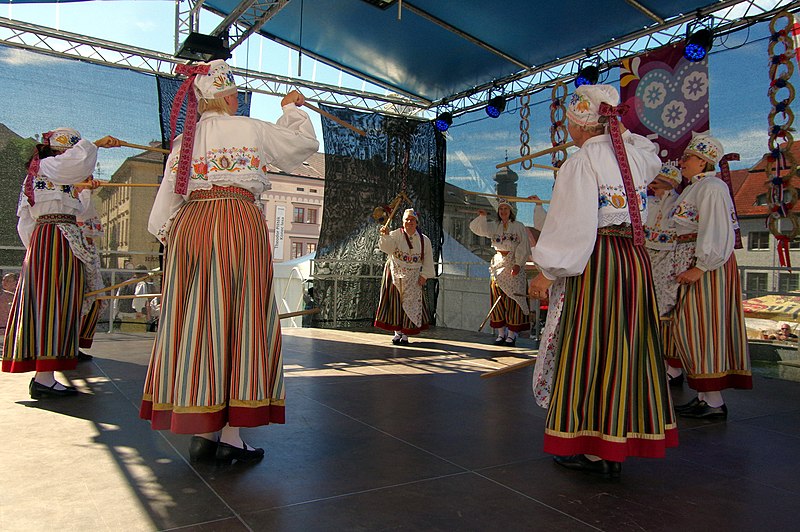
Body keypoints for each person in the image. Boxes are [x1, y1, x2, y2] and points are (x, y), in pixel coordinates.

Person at [141, 59, 319, 464]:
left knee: (197, 322)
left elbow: (161, 213)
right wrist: (292, 108)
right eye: (234, 94)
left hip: (191, 228)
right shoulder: (249, 128)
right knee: (239, 320)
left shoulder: (184, 142)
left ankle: (203, 430)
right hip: (237, 224)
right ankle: (230, 435)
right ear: (225, 96)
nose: (237, 99)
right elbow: (302, 145)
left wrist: (180, 237)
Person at [528, 85, 676, 478]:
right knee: (626, 347)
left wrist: (547, 272)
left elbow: (574, 227)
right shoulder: (635, 156)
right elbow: (647, 153)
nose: (566, 130)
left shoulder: (581, 163)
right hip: (635, 261)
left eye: (569, 122)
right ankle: (616, 442)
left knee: (591, 346)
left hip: (599, 263)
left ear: (581, 124)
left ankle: (592, 447)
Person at [2, 128, 120, 397]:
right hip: (56, 238)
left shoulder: (47, 173)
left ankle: (45, 374)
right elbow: (80, 160)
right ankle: (44, 378)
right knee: (55, 302)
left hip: (48, 239)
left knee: (57, 302)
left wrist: (36, 249)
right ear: (62, 152)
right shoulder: (49, 166)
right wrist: (97, 144)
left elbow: (27, 223)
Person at [667, 133, 752, 420]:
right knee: (693, 328)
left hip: (708, 269)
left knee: (704, 327)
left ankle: (713, 401)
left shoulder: (712, 188)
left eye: (688, 158)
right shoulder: (696, 188)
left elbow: (717, 230)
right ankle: (705, 395)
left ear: (703, 162)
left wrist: (701, 266)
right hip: (696, 263)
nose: (683, 162)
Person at [643, 163, 685, 387]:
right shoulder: (648, 203)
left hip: (669, 259)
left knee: (665, 310)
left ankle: (673, 367)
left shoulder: (678, 203)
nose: (653, 184)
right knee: (649, 310)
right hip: (648, 258)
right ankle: (659, 364)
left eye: (658, 180)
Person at [469, 199, 530, 347]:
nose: (503, 212)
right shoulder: (494, 226)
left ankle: (511, 335)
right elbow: (477, 228)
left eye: (506, 209)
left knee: (513, 299)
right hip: (498, 263)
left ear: (511, 212)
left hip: (512, 262)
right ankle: (501, 334)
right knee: (497, 298)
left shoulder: (518, 226)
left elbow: (524, 246)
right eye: (501, 209)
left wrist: (518, 264)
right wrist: (482, 217)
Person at [374, 208, 435, 344]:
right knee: (395, 303)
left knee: (411, 304)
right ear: (403, 222)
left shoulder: (424, 240)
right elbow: (387, 249)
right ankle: (397, 333)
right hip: (395, 273)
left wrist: (424, 275)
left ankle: (406, 333)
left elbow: (428, 259)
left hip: (413, 276)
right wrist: (385, 236)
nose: (409, 222)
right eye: (406, 220)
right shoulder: (396, 234)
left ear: (417, 222)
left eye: (412, 220)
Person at [76, 200, 108, 361]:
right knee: (80, 301)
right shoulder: (71, 191)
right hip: (76, 250)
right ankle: (69, 345)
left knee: (95, 300)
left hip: (87, 253)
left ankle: (76, 343)